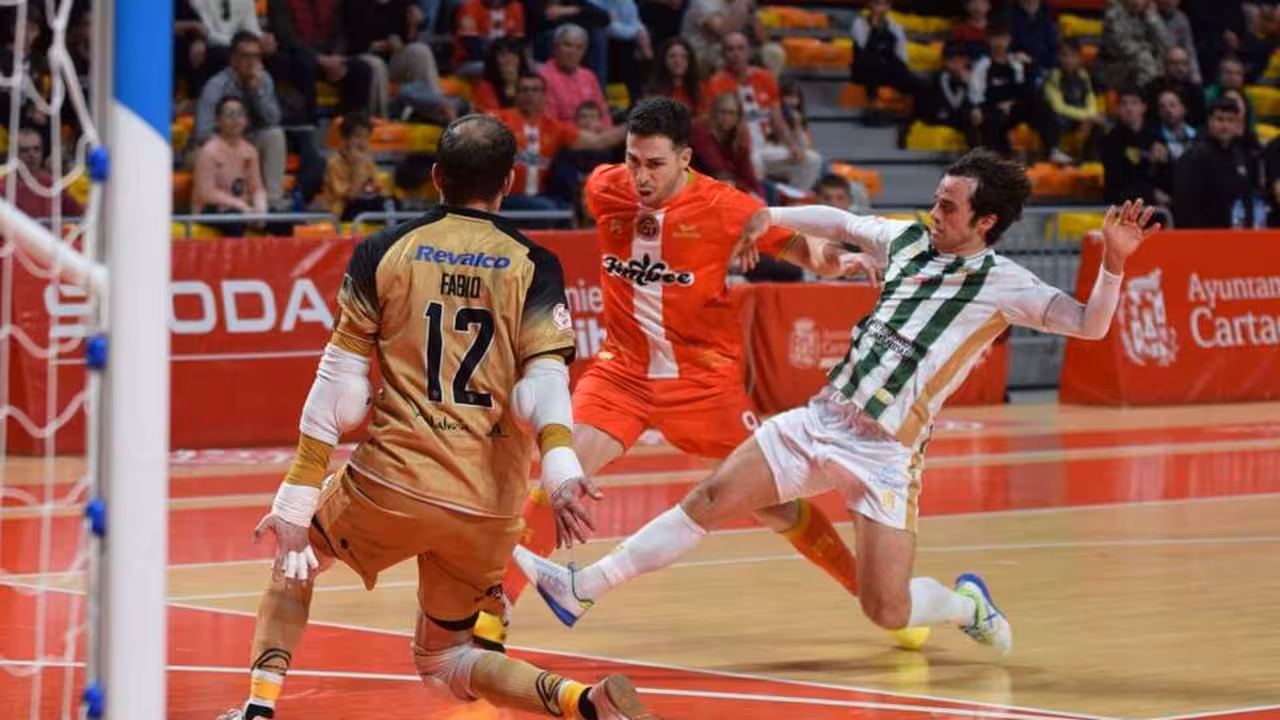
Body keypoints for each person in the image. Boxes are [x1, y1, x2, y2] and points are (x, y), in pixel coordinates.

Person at [515, 149, 1161, 656]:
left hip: (886, 455)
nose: (934, 212)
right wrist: (765, 218)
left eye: (949, 207)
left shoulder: (1004, 285)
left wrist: (1114, 264)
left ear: (984, 221)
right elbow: (838, 222)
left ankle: (967, 606)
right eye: (936, 199)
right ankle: (584, 588)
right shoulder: (906, 241)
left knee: (886, 610)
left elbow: (1090, 324)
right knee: (709, 499)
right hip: (820, 420)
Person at [218, 114, 654, 720]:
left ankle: (258, 709)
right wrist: (559, 473)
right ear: (510, 180)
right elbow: (544, 388)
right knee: (446, 660)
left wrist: (298, 491)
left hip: (394, 483)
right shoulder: (535, 264)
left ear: (434, 177)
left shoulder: (383, 250)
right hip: (488, 504)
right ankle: (584, 703)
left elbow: (341, 387)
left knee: (298, 559)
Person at [473, 96, 926, 651]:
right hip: (623, 374)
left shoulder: (725, 206)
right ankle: (492, 612)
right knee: (559, 477)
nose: (640, 176)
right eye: (634, 160)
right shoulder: (602, 188)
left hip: (703, 383)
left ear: (686, 158)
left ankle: (874, 596)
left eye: (655, 164)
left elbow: (805, 251)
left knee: (775, 504)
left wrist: (846, 261)